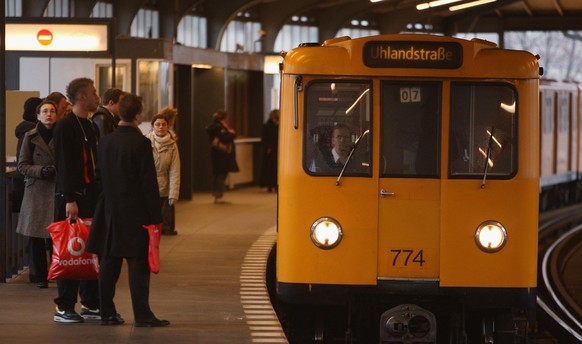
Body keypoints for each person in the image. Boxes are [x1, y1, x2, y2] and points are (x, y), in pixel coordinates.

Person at [87, 93, 170, 327]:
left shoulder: (106, 141)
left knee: (109, 264)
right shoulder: (141, 143)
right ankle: (142, 315)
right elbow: (148, 183)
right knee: (138, 266)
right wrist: (156, 216)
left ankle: (106, 312)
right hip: (136, 214)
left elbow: (99, 177)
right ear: (139, 115)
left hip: (110, 211)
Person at [52, 77, 101, 323]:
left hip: (91, 197)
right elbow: (63, 165)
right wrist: (69, 198)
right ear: (82, 97)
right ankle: (64, 306)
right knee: (71, 249)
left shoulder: (90, 125)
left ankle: (90, 303)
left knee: (90, 250)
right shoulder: (66, 126)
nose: (97, 96)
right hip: (72, 198)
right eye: (93, 92)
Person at [15, 100, 58, 289]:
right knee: (36, 236)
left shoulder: (63, 135)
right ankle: (39, 275)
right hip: (37, 190)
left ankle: (59, 271)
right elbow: (22, 165)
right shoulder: (30, 136)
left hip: (58, 189)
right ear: (38, 115)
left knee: (59, 236)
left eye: (52, 111)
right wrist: (41, 171)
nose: (49, 114)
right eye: (45, 111)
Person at [146, 114, 180, 236]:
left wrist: (173, 193)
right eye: (158, 124)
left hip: (165, 186)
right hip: (149, 185)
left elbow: (175, 171)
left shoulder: (172, 145)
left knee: (166, 214)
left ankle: (167, 228)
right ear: (153, 126)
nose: (161, 127)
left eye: (164, 124)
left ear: (168, 126)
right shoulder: (145, 142)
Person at [13, 96, 43, 212]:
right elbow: (24, 162)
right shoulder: (30, 133)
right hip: (27, 183)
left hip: (23, 182)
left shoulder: (25, 130)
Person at [205, 109, 239, 204]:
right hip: (222, 155)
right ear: (223, 118)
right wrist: (232, 134)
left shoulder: (212, 126)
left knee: (217, 174)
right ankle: (218, 195)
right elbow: (224, 138)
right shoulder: (219, 127)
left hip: (216, 154)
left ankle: (216, 195)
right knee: (221, 174)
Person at [259, 109, 279, 192]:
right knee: (270, 169)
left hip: (277, 151)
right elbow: (264, 138)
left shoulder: (280, 124)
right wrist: (268, 147)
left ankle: (276, 185)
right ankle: (270, 185)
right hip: (270, 151)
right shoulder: (267, 125)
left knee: (277, 169)